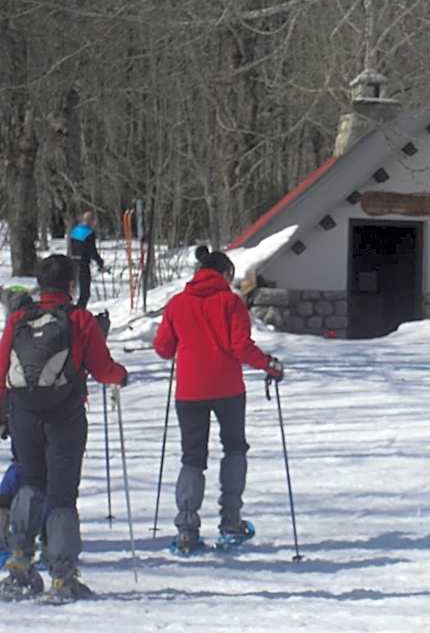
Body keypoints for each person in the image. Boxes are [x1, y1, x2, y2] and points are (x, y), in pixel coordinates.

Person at [0, 254, 128, 600]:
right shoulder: (80, 319)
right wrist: (121, 376)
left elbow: (2, 369)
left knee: (30, 481)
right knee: (61, 494)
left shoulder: (18, 319)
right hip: (65, 416)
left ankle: (19, 564)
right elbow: (103, 369)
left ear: (40, 285)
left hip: (23, 412)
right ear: (71, 285)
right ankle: (62, 575)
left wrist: (4, 412)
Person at [153, 249, 284, 554]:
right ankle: (230, 521)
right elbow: (240, 346)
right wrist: (268, 365)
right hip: (227, 388)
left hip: (189, 390)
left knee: (192, 457)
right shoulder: (230, 303)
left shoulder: (178, 303)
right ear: (225, 274)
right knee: (235, 448)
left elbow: (163, 348)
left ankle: (187, 529)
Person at [68, 211, 107, 309]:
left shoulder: (75, 231)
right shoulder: (89, 233)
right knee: (85, 293)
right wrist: (100, 262)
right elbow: (92, 250)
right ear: (91, 221)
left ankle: (68, 311)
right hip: (83, 264)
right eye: (95, 221)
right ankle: (80, 313)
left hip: (72, 263)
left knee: (71, 291)